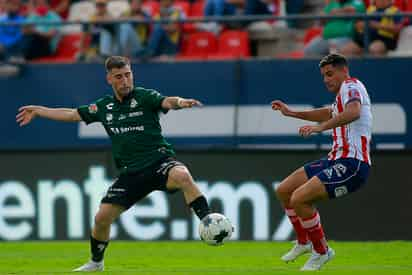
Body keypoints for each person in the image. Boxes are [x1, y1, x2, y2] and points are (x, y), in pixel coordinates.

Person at [16, 56, 213, 272]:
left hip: (159, 162)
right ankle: (96, 262)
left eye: (128, 75)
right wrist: (39, 110)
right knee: (101, 218)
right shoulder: (104, 107)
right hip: (131, 173)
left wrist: (181, 102)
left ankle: (209, 222)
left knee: (183, 176)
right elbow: (73, 114)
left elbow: (166, 101)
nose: (125, 81)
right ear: (109, 78)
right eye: (119, 77)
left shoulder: (144, 97)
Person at [271, 53, 372, 271]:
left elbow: (353, 112)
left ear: (344, 70)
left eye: (330, 73)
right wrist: (292, 113)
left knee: (299, 199)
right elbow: (327, 113)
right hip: (334, 159)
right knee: (284, 191)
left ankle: (322, 251)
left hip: (353, 164)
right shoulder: (340, 97)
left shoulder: (351, 85)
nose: (326, 79)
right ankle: (303, 242)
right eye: (323, 76)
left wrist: (320, 127)